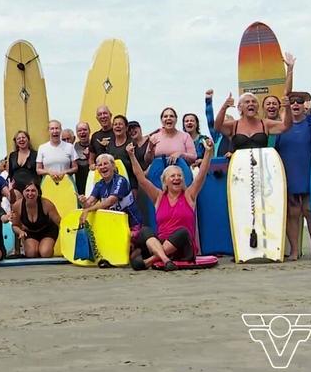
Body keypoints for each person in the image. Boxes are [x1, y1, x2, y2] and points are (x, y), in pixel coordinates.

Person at [126, 137, 214, 270]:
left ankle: (150, 261)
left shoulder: (189, 195)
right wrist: (132, 155)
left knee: (183, 232)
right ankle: (166, 260)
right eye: (172, 176)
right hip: (162, 245)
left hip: (183, 248)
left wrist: (208, 152)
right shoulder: (159, 197)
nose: (177, 178)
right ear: (165, 181)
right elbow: (141, 179)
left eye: (179, 176)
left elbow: (201, 174)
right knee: (144, 230)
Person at [216, 53, 295, 151]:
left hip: (262, 163)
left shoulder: (265, 123)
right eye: (247, 102)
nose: (251, 104)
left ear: (258, 107)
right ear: (240, 107)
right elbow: (217, 126)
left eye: (254, 102)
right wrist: (224, 107)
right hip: (240, 164)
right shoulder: (233, 125)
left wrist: (287, 107)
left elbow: (286, 126)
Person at [275, 92, 311, 260]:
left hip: (309, 174)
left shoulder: (310, 123)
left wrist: (310, 114)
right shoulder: (281, 127)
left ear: (304, 105)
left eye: (299, 102)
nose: (295, 104)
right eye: (292, 101)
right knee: (293, 214)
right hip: (288, 175)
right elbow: (275, 148)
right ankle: (295, 250)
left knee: (310, 212)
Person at [78, 154, 143, 236]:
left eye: (105, 163)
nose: (102, 167)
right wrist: (83, 202)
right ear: (97, 169)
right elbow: (89, 204)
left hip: (132, 224)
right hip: (114, 224)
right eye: (100, 165)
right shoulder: (99, 185)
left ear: (113, 166)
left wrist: (88, 210)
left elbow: (110, 201)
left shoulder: (120, 180)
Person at [11, 181, 60, 258]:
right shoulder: (17, 205)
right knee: (31, 254)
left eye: (33, 191)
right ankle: (33, 247)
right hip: (30, 232)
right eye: (27, 190)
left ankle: (46, 247)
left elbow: (59, 222)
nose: (30, 193)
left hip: (47, 231)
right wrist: (20, 232)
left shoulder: (47, 204)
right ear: (23, 192)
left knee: (45, 253)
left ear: (38, 192)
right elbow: (15, 226)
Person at [104, 115, 136, 189]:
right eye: (115, 124)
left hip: (130, 183)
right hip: (113, 185)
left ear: (126, 127)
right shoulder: (110, 144)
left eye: (120, 124)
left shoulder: (132, 143)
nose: (118, 126)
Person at [7, 130, 38, 197]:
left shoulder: (35, 154)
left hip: (31, 189)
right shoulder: (12, 155)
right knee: (17, 206)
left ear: (28, 139)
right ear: (16, 142)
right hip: (16, 188)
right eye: (18, 138)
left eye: (23, 137)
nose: (21, 140)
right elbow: (10, 173)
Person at [204, 90, 233, 156]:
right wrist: (208, 100)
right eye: (222, 123)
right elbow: (210, 119)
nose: (225, 125)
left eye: (228, 122)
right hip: (219, 164)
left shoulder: (239, 136)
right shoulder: (217, 135)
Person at [73, 122, 91, 194]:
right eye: (79, 131)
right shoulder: (73, 147)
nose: (82, 132)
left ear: (89, 131)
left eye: (84, 130)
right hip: (79, 183)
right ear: (76, 133)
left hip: (93, 181)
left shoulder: (95, 145)